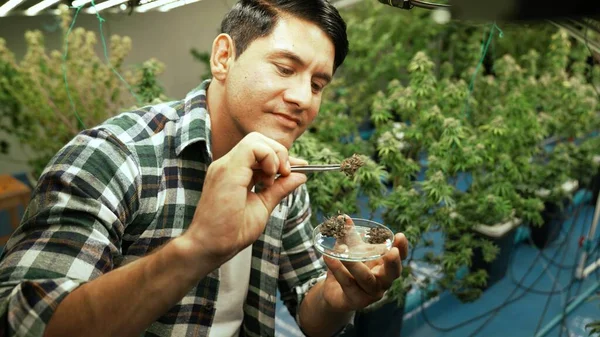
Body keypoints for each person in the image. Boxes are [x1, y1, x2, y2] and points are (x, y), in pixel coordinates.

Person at [0, 0, 409, 336]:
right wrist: (196, 248)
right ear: (224, 57)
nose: (303, 97)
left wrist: (335, 300)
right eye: (285, 69)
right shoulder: (113, 158)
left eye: (318, 85)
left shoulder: (285, 177)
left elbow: (307, 305)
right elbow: (23, 322)